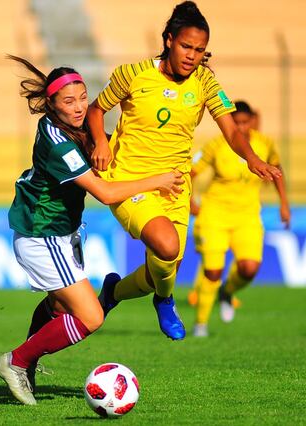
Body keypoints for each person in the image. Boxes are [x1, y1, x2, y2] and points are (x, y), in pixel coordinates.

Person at [0, 55, 184, 406]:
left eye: (83, 97)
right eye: (69, 101)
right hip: (42, 232)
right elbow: (105, 192)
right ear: (51, 104)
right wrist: (159, 180)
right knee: (91, 316)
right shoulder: (58, 142)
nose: (80, 106)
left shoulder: (74, 127)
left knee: (58, 306)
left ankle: (27, 363)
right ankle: (16, 361)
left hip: (61, 232)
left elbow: (113, 150)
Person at [86, 1, 282, 341]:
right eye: (186, 46)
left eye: (200, 50)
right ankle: (165, 300)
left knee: (165, 264)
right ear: (169, 40)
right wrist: (101, 144)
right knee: (166, 245)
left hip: (174, 185)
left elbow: (232, 130)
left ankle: (113, 292)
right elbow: (96, 109)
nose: (192, 55)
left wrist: (251, 157)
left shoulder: (205, 81)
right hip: (130, 180)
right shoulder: (132, 74)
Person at [190, 100, 291, 337]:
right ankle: (201, 324)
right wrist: (190, 200)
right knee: (213, 270)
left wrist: (284, 204)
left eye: (245, 122)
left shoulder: (264, 144)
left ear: (252, 121)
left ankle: (227, 291)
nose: (241, 127)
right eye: (236, 123)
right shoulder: (216, 145)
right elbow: (190, 172)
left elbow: (277, 170)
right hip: (214, 214)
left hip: (247, 216)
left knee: (249, 269)